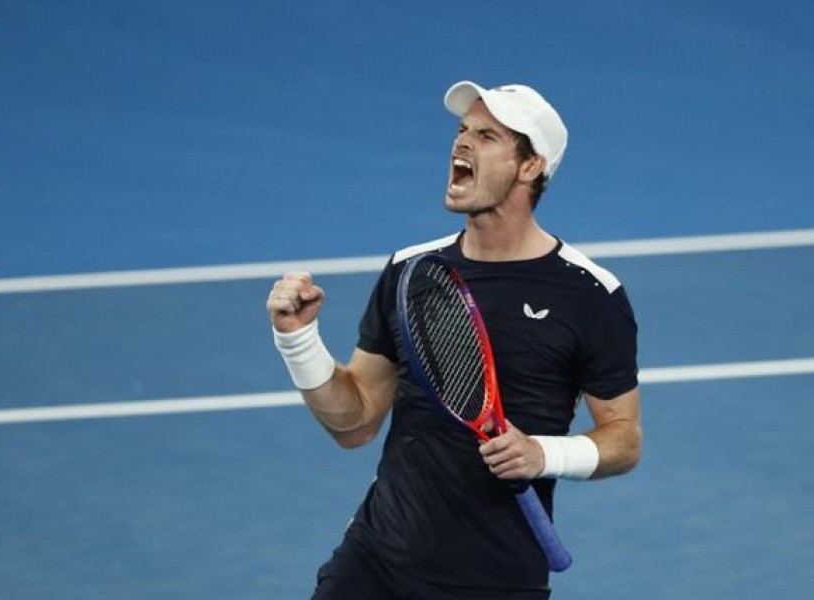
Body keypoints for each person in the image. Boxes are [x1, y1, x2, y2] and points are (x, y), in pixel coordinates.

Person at [266, 80, 642, 599]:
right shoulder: (412, 271)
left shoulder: (591, 294)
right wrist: (298, 340)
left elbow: (624, 439)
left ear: (530, 166)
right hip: (376, 561)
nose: (461, 143)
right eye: (462, 130)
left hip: (496, 579)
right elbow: (354, 425)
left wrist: (543, 454)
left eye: (487, 136)